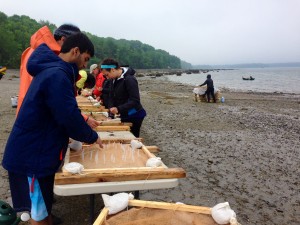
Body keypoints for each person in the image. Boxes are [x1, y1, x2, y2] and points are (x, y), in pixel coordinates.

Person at [2, 32, 103, 225]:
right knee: (37, 215)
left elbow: (64, 111)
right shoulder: (57, 75)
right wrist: (91, 136)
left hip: (38, 152)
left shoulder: (55, 71)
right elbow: (68, 118)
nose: (84, 65)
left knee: (44, 209)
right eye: (86, 59)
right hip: (32, 158)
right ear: (75, 51)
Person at [16, 24, 99, 129]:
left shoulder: (37, 54)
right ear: (63, 40)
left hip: (28, 115)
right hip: (36, 121)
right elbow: (58, 102)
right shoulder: (49, 61)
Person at [100, 58, 146, 137]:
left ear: (113, 69)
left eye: (107, 75)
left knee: (132, 137)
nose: (107, 78)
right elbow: (111, 95)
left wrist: (118, 109)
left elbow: (135, 101)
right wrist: (111, 113)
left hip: (135, 114)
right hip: (124, 113)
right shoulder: (112, 79)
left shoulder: (129, 79)